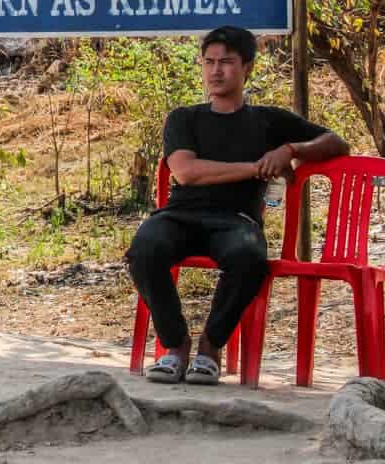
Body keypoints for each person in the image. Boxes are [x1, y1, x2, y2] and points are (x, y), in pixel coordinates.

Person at [126, 26, 350, 385]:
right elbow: (186, 172)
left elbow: (336, 142)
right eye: (209, 62)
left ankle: (210, 350)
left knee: (249, 257)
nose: (215, 71)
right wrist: (257, 167)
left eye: (226, 62)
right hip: (180, 216)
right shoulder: (184, 118)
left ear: (247, 68)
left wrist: (290, 150)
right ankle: (175, 346)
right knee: (144, 250)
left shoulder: (269, 120)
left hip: (236, 220)